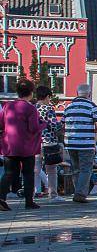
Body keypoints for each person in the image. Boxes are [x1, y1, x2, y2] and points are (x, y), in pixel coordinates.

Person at [0, 80, 46, 211]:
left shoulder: (7, 106)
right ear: (31, 93)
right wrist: (43, 124)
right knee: (28, 173)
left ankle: (1, 198)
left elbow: (1, 123)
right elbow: (33, 128)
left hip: (10, 145)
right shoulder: (30, 108)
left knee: (9, 173)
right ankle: (29, 201)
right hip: (27, 146)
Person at [63, 83, 97, 203]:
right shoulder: (91, 106)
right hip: (85, 143)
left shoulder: (68, 107)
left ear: (77, 93)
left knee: (76, 169)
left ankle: (78, 192)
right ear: (89, 94)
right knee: (86, 169)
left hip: (70, 143)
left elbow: (63, 125)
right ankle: (80, 194)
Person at [35, 86, 64, 202]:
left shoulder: (33, 108)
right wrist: (62, 123)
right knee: (51, 170)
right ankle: (53, 195)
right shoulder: (48, 108)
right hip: (49, 142)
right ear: (47, 96)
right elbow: (54, 126)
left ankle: (35, 192)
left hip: (35, 142)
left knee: (35, 169)